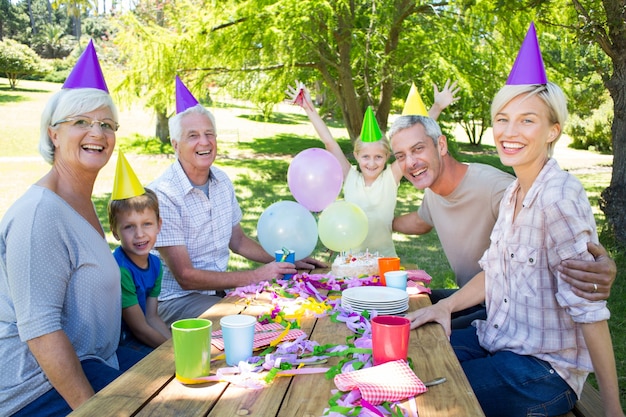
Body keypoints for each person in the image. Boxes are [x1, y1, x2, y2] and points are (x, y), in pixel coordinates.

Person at [407, 81, 624, 417]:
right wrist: (445, 307)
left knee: (423, 393)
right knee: (412, 353)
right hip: (498, 339)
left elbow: (591, 310)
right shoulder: (513, 194)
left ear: (553, 131)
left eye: (527, 120)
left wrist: (612, 410)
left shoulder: (559, 199)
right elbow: (494, 271)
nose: (509, 131)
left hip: (543, 371)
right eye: (502, 118)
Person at [0, 41, 145, 416]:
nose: (97, 132)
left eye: (106, 124)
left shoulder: (79, 203)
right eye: (81, 122)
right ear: (53, 134)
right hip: (37, 391)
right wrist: (94, 411)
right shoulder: (39, 215)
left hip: (95, 364)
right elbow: (42, 332)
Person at [389, 117, 616, 328]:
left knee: (424, 338)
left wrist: (601, 264)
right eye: (400, 156)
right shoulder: (433, 193)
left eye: (418, 149)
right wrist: (382, 222)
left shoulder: (495, 188)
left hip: (510, 309)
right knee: (399, 305)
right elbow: (421, 221)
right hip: (471, 297)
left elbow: (552, 224)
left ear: (441, 146)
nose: (410, 162)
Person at [150, 77, 326, 326]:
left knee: (294, 309)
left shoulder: (221, 180)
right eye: (193, 136)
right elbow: (185, 277)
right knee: (261, 322)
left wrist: (285, 262)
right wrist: (255, 276)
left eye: (209, 134)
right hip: (179, 301)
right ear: (175, 145)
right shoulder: (163, 194)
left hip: (220, 293)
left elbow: (239, 241)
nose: (204, 142)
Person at [288, 80, 460, 257]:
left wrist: (437, 107)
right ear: (356, 156)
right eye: (365, 157)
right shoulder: (350, 176)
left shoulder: (390, 178)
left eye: (378, 157)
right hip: (350, 261)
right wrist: (308, 107)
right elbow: (329, 141)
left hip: (385, 260)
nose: (372, 163)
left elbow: (417, 135)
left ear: (387, 157)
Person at [108, 180, 171, 353]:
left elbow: (152, 317)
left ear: (159, 224)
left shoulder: (156, 264)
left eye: (147, 224)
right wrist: (172, 350)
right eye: (129, 227)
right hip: (119, 344)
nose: (140, 234)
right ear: (115, 232)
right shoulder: (120, 270)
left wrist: (174, 344)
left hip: (140, 337)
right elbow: (140, 329)